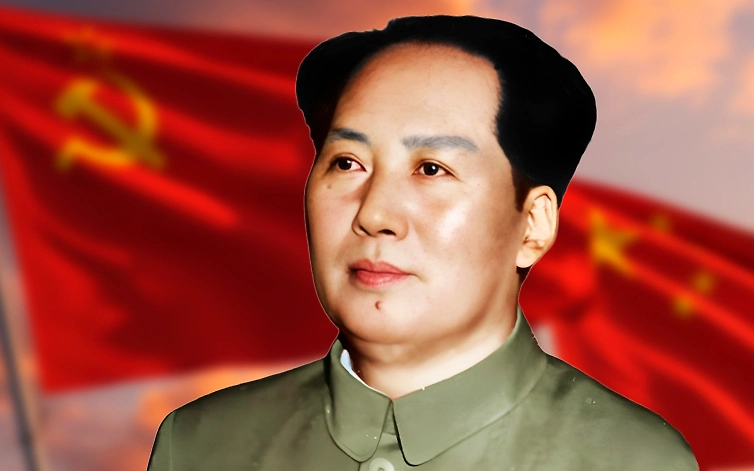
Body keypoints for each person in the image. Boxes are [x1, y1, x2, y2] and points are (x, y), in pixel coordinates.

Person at [147, 15, 699, 470]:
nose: (374, 214)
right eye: (348, 162)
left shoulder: (634, 460)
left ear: (533, 225)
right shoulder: (198, 446)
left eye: (431, 168)